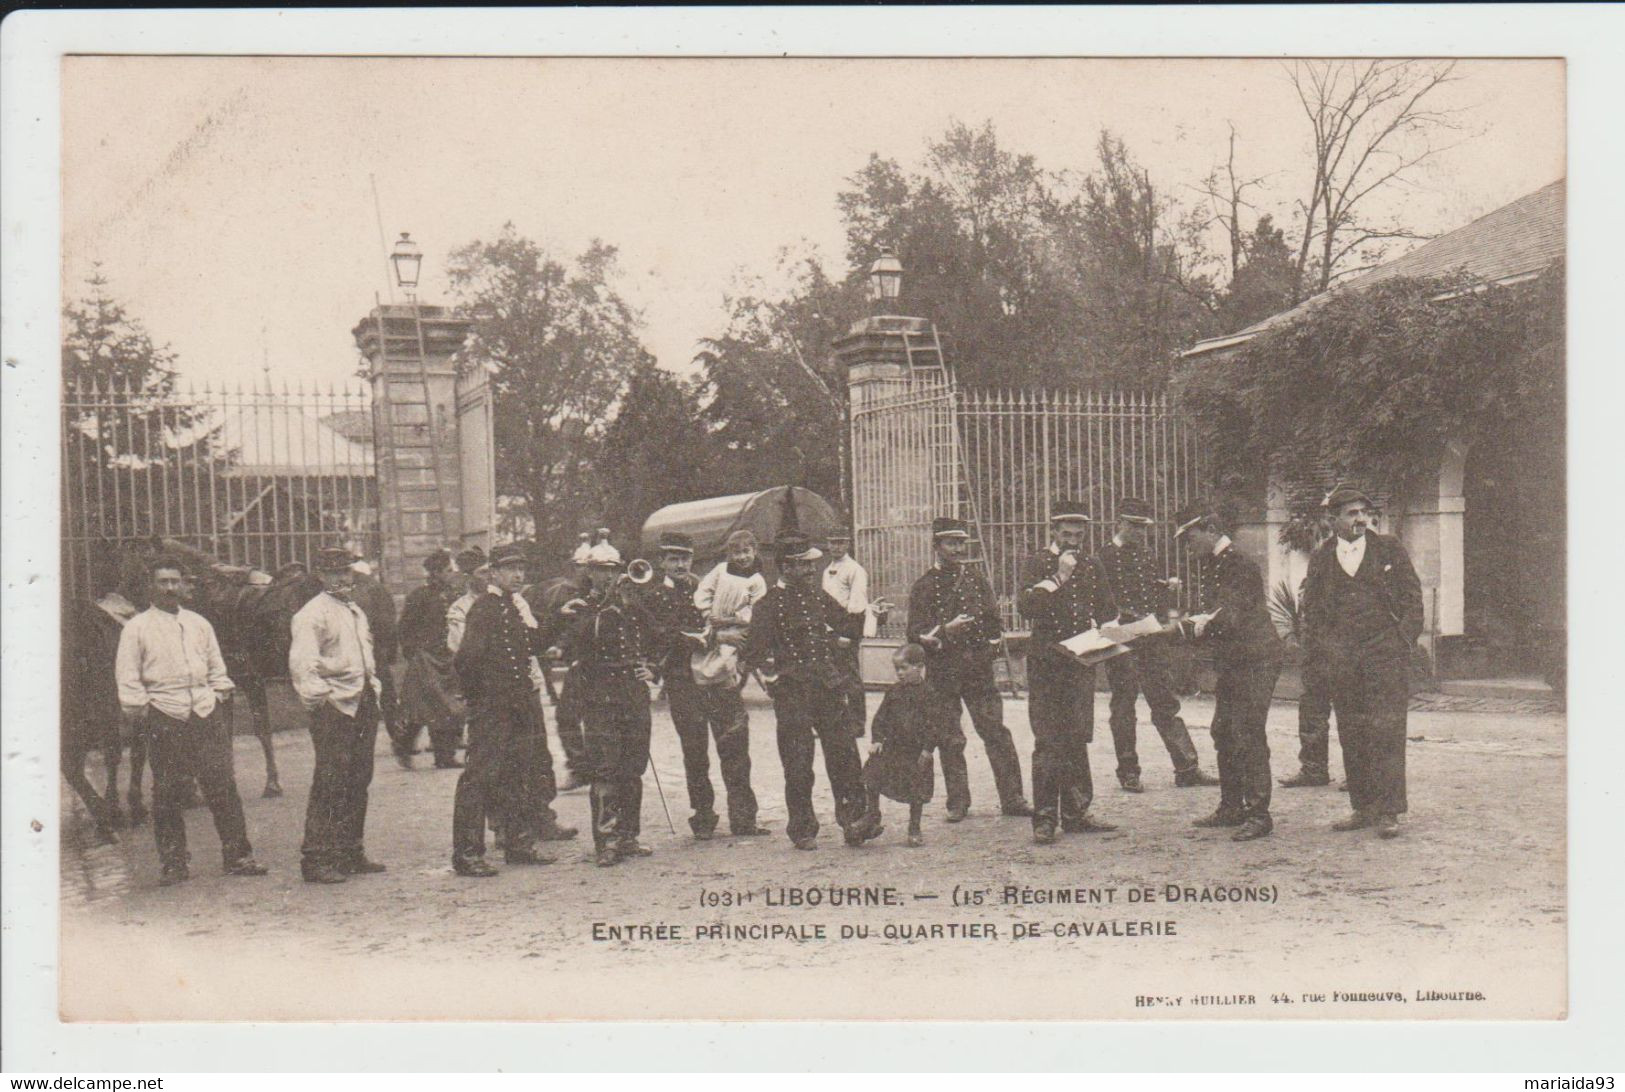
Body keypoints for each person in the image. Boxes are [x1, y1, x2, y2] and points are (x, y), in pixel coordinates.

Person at [115, 555, 268, 886]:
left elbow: (216, 666)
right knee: (168, 791)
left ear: (183, 585)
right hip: (165, 713)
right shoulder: (136, 628)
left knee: (222, 784)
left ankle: (238, 855)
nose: (170, 588)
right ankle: (173, 862)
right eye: (163, 582)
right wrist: (142, 710)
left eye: (175, 581)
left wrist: (219, 693)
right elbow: (128, 677)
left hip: (203, 710)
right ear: (150, 587)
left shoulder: (199, 623)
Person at [1301, 484, 1424, 839]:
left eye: (1363, 513)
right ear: (1333, 519)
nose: (1360, 519)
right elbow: (1313, 610)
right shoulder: (1323, 556)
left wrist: (1402, 641)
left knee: (1386, 730)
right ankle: (1363, 807)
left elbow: (1413, 598)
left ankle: (1388, 811)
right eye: (1351, 514)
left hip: (1385, 654)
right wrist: (1326, 651)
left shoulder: (1388, 549)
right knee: (1351, 731)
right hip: (1343, 659)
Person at [449, 543, 575, 877]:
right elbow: (466, 661)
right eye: (510, 569)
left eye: (521, 568)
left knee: (518, 772)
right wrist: (482, 701)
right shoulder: (484, 609)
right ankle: (467, 854)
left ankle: (519, 845)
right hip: (493, 707)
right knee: (479, 777)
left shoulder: (513, 606)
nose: (518, 575)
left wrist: (562, 618)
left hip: (518, 703)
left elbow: (533, 644)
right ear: (494, 573)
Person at [743, 533, 869, 849]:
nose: (812, 570)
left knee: (844, 756)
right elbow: (755, 654)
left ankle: (855, 821)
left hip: (826, 687)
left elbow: (848, 626)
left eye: (811, 564)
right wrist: (774, 682)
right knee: (798, 763)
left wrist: (867, 612)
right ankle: (802, 828)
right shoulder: (767, 605)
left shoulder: (817, 596)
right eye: (804, 565)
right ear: (786, 567)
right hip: (793, 693)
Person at [1170, 502, 1284, 841]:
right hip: (1236, 660)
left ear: (1209, 529)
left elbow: (1229, 616)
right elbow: (1214, 612)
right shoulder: (1214, 563)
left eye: (1189, 537)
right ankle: (1232, 807)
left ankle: (1259, 814)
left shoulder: (1238, 564)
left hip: (1257, 658)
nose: (1186, 546)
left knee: (1248, 731)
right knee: (1223, 730)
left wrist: (1193, 627)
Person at [906, 517, 1032, 821]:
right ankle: (958, 802)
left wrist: (990, 644)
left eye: (961, 543)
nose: (958, 549)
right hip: (943, 671)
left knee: (996, 733)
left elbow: (993, 620)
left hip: (978, 669)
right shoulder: (923, 586)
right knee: (950, 737)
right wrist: (945, 630)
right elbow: (914, 634)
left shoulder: (976, 580)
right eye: (951, 543)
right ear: (936, 547)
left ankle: (1013, 798)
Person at [644, 531, 766, 840]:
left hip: (718, 680)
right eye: (673, 558)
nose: (680, 564)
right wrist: (720, 637)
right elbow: (666, 636)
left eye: (685, 558)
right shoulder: (655, 596)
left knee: (736, 745)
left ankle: (743, 818)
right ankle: (703, 816)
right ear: (662, 562)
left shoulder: (706, 586)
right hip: (683, 682)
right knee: (695, 751)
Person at [1098, 497, 1218, 792]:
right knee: (1124, 706)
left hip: (1150, 639)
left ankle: (1187, 767)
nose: (1140, 533)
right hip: (1122, 639)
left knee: (1165, 701)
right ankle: (1128, 771)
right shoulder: (1102, 558)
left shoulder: (1147, 555)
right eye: (1135, 527)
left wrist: (1163, 611)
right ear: (1120, 524)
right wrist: (1117, 620)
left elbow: (1154, 594)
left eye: (1143, 528)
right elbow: (1099, 601)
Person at [1016, 501, 1118, 844]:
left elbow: (1107, 609)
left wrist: (1111, 636)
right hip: (1046, 662)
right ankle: (1044, 818)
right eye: (1066, 533)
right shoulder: (1038, 563)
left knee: (1076, 737)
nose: (1073, 539)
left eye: (1079, 533)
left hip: (1080, 661)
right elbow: (1026, 607)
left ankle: (1076, 812)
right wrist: (1059, 576)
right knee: (1048, 739)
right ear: (1054, 532)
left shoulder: (1093, 564)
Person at [288, 547, 386, 884]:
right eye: (334, 573)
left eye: (346, 572)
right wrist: (323, 700)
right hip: (334, 706)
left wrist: (372, 687)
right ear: (320, 576)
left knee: (359, 778)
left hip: (362, 700)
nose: (342, 579)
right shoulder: (311, 614)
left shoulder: (355, 610)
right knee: (330, 780)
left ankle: (349, 850)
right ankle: (316, 858)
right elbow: (303, 667)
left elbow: (365, 656)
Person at [566, 542, 657, 867]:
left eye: (612, 570)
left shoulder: (632, 602)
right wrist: (604, 607)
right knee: (604, 769)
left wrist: (653, 667)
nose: (608, 576)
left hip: (632, 694)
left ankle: (629, 836)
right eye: (601, 570)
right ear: (589, 573)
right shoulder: (580, 606)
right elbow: (576, 644)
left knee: (633, 767)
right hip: (599, 695)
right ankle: (606, 840)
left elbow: (660, 636)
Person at [524, 534, 595, 790]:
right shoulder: (567, 592)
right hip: (579, 663)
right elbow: (565, 626)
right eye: (579, 566)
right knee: (568, 716)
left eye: (587, 567)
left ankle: (587, 768)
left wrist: (562, 644)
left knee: (581, 717)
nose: (582, 571)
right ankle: (580, 766)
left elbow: (579, 625)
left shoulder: (597, 594)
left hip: (592, 664)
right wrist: (558, 646)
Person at [858, 643, 937, 848]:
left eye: (904, 668)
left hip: (915, 752)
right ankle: (872, 814)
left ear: (919, 667)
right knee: (872, 776)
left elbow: (935, 725)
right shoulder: (893, 691)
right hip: (892, 748)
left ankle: (914, 827)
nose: (900, 673)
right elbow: (880, 718)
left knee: (916, 791)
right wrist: (877, 740)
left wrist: (928, 749)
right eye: (897, 669)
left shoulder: (929, 693)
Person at [397, 549, 467, 769]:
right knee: (424, 706)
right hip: (426, 658)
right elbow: (405, 628)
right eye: (447, 570)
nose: (451, 574)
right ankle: (403, 744)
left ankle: (444, 756)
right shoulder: (419, 596)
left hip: (448, 658)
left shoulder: (455, 595)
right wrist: (415, 654)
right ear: (435, 573)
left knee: (448, 706)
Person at [822, 527, 892, 737]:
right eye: (832, 542)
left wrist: (848, 634)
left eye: (841, 542)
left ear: (848, 544)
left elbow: (857, 604)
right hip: (830, 628)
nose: (836, 546)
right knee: (831, 676)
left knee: (850, 676)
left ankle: (857, 724)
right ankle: (836, 721)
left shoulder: (855, 570)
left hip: (846, 628)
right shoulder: (827, 569)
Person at [351, 559, 402, 769]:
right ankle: (397, 736)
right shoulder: (376, 589)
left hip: (362, 651)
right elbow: (388, 623)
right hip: (374, 650)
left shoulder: (360, 591)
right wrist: (387, 650)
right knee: (386, 695)